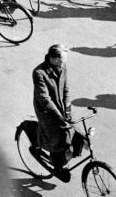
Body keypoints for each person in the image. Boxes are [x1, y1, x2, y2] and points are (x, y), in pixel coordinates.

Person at [33, 44, 72, 182]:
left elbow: (66, 89)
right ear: (54, 59)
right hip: (46, 110)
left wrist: (67, 110)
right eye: (62, 60)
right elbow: (45, 99)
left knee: (71, 133)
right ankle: (56, 166)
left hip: (61, 107)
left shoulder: (63, 66)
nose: (64, 63)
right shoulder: (39, 73)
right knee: (55, 136)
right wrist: (60, 117)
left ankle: (62, 157)